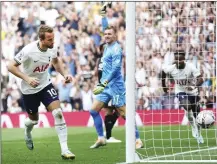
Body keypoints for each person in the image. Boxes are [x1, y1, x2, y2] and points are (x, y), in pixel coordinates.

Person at [7, 25, 75, 159]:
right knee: (34, 120)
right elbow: (10, 66)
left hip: (45, 85)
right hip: (29, 89)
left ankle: (65, 150)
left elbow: (55, 61)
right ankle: (27, 131)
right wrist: (27, 78)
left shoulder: (52, 48)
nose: (52, 42)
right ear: (41, 39)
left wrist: (64, 74)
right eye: (49, 39)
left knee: (58, 113)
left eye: (53, 38)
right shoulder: (28, 50)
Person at [89, 3, 143, 149]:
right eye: (105, 34)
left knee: (124, 114)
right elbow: (105, 26)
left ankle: (137, 139)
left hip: (116, 87)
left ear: (115, 36)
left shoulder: (116, 49)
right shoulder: (106, 46)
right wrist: (103, 15)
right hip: (106, 87)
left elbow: (115, 69)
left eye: (109, 34)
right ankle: (101, 138)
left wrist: (102, 83)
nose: (106, 36)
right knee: (93, 110)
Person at [162, 51, 204, 144]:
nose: (177, 61)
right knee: (187, 106)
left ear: (184, 60)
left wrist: (193, 86)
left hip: (193, 92)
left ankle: (199, 133)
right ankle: (193, 125)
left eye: (180, 59)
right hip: (180, 91)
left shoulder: (190, 67)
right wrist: (164, 87)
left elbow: (200, 79)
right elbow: (163, 72)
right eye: (176, 59)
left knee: (197, 115)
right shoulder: (171, 68)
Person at [97, 43, 121, 143]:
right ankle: (108, 136)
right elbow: (100, 73)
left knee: (116, 111)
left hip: (110, 87)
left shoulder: (105, 59)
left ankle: (108, 134)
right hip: (109, 87)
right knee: (111, 111)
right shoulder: (103, 60)